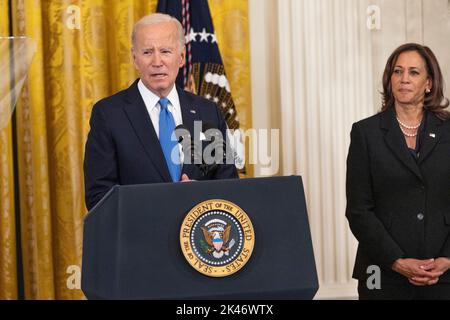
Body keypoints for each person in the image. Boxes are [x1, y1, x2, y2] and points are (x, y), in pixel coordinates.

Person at [84, 13, 238, 211]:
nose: (157, 61)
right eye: (148, 52)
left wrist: (201, 196)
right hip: (140, 238)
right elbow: (99, 197)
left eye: (165, 51)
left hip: (198, 237)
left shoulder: (207, 112)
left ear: (181, 57)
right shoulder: (108, 115)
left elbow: (229, 185)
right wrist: (162, 202)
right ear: (135, 58)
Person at [346, 43, 450, 299]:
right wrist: (397, 261)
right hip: (381, 272)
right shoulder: (365, 133)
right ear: (389, 79)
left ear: (429, 83)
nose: (404, 79)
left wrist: (447, 257)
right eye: (397, 71)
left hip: (443, 274)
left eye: (414, 72)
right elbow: (359, 210)